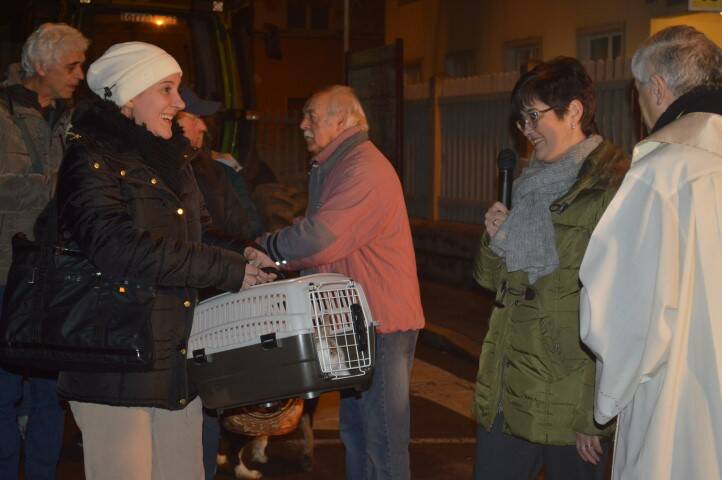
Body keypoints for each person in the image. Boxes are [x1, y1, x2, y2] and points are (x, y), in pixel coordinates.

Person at [54, 41, 274, 480]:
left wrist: (242, 251)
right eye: (168, 89)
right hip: (115, 361)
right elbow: (117, 247)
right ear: (130, 94)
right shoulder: (91, 157)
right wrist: (226, 269)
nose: (179, 102)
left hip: (172, 359)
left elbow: (200, 231)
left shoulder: (172, 159)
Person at [471, 57, 629, 480]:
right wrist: (494, 239)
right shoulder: (528, 185)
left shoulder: (609, 190)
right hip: (508, 390)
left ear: (574, 112)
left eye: (533, 115)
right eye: (520, 118)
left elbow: (620, 311)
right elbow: (490, 282)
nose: (524, 129)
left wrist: (594, 415)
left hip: (568, 405)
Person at [258, 85, 424, 480]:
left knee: (382, 440)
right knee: (357, 432)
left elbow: (322, 238)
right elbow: (320, 230)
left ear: (344, 119)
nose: (302, 124)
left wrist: (269, 247)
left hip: (381, 325)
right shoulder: (336, 165)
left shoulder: (362, 168)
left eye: (311, 115)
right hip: (354, 323)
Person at [579, 25, 722, 479]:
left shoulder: (663, 173)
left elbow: (624, 312)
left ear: (657, 89)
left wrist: (609, 397)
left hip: (681, 403)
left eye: (637, 91)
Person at [0, 22, 88, 480]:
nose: (80, 73)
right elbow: (8, 190)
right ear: (40, 64)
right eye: (72, 65)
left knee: (51, 395)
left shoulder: (71, 119)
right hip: (7, 273)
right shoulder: (2, 113)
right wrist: (73, 185)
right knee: (5, 391)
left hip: (55, 276)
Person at [178, 85, 265, 240]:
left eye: (202, 119)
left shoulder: (220, 171)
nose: (203, 127)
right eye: (193, 118)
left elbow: (248, 227)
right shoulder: (149, 173)